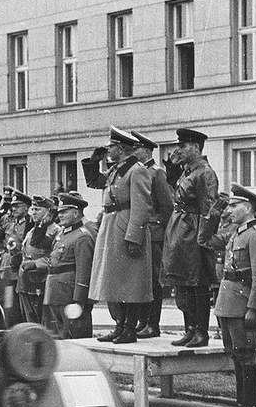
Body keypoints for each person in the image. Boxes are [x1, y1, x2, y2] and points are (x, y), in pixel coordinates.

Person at [199, 184, 256, 407]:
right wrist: (213, 216)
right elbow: (204, 240)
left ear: (247, 208)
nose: (229, 210)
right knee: (237, 356)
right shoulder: (236, 233)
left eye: (234, 205)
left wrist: (253, 308)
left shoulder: (254, 236)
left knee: (246, 356)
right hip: (229, 302)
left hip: (242, 304)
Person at [89, 127, 154, 344]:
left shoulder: (136, 171)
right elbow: (95, 182)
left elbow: (141, 207)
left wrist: (134, 237)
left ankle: (129, 328)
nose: (108, 150)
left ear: (122, 148)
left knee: (129, 282)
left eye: (111, 147)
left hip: (125, 227)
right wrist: (93, 162)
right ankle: (119, 326)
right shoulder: (116, 170)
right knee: (115, 281)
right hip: (111, 225)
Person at [161, 128, 219, 348]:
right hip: (181, 229)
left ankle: (201, 332)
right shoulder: (188, 171)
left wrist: (204, 238)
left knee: (198, 283)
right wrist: (172, 168)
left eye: (183, 146)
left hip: (193, 231)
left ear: (196, 147)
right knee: (184, 282)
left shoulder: (204, 172)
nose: (179, 150)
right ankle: (190, 330)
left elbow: (209, 207)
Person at [131, 131, 174, 339]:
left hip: (154, 232)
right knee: (141, 279)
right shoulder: (137, 171)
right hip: (142, 230)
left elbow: (166, 205)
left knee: (153, 280)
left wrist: (164, 232)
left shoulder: (156, 173)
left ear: (147, 151)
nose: (133, 152)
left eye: (136, 149)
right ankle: (143, 321)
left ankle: (152, 323)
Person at [43, 192, 96, 339]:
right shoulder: (61, 235)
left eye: (64, 212)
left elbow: (84, 270)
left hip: (71, 296)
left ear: (76, 213)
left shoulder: (82, 237)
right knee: (61, 336)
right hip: (56, 293)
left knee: (76, 336)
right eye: (59, 212)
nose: (60, 215)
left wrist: (79, 300)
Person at [16, 196, 60, 324]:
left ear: (49, 212)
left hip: (42, 282)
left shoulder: (55, 231)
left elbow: (55, 257)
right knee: (29, 321)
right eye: (33, 209)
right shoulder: (33, 230)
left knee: (44, 322)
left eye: (38, 209)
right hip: (26, 282)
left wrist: (36, 264)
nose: (34, 213)